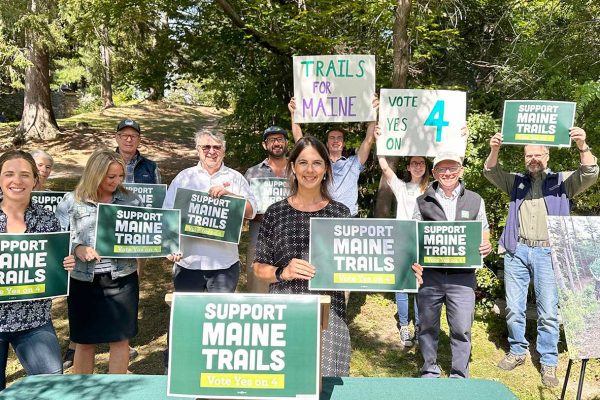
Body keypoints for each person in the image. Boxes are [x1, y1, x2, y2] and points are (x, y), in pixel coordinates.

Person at [253, 136, 424, 376]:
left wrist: (405, 271)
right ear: (293, 167)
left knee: (328, 384)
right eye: (303, 163)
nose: (309, 170)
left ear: (326, 169)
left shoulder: (340, 212)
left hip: (330, 317)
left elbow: (365, 259)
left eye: (316, 163)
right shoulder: (275, 212)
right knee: (287, 381)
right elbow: (258, 267)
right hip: (285, 312)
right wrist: (283, 272)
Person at [484, 127, 598, 387]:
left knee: (548, 312)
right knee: (514, 308)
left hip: (548, 252)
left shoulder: (562, 181)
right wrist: (494, 149)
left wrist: (582, 145)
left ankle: (548, 361)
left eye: (538, 154)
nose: (533, 159)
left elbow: (590, 172)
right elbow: (491, 171)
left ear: (547, 155)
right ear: (524, 158)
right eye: (528, 155)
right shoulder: (516, 182)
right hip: (517, 250)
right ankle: (517, 351)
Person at [56, 149, 142, 374]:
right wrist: (77, 248)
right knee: (84, 340)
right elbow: (56, 239)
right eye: (110, 177)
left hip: (122, 278)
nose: (117, 181)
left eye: (120, 176)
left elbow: (145, 235)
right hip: (84, 280)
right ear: (95, 174)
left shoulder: (131, 200)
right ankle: (85, 392)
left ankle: (116, 389)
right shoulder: (70, 202)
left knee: (121, 339)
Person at [0, 150, 74, 391]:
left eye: (24, 175)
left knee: (52, 387)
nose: (17, 181)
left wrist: (64, 265)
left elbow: (53, 267)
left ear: (35, 179)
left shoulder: (47, 220)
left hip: (34, 320)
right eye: (9, 174)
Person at [413, 151, 492, 379]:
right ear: (435, 173)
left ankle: (459, 374)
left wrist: (485, 245)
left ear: (460, 171)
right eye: (442, 169)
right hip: (431, 276)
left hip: (463, 277)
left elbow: (483, 230)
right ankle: (429, 369)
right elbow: (415, 236)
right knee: (427, 325)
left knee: (461, 328)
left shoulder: (475, 199)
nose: (447, 173)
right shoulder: (422, 201)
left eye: (452, 168)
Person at [288, 96, 378, 217]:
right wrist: (294, 114)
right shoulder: (320, 163)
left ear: (343, 143)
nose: (336, 141)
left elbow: (368, 140)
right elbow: (300, 141)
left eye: (339, 138)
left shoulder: (354, 163)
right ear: (326, 143)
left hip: (349, 218)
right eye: (332, 138)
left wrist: (373, 114)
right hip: (324, 216)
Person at [379, 154, 430, 347]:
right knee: (402, 285)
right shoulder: (401, 187)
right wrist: (380, 144)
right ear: (408, 167)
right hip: (402, 240)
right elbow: (385, 169)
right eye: (414, 163)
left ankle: (419, 325)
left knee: (420, 285)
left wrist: (462, 138)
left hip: (424, 242)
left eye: (421, 163)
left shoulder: (432, 189)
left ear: (426, 167)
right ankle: (404, 326)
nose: (418, 166)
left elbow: (454, 167)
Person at [244, 126, 288, 293]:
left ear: (286, 143)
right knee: (258, 286)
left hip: (290, 239)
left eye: (280, 139)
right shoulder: (252, 173)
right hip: (260, 238)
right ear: (265, 145)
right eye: (271, 140)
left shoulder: (297, 170)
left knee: (289, 284)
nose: (276, 143)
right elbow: (246, 208)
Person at [115, 118, 161, 184]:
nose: (129, 139)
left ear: (139, 140)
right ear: (117, 138)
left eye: (133, 136)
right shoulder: (105, 164)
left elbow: (158, 193)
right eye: (124, 135)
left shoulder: (151, 167)